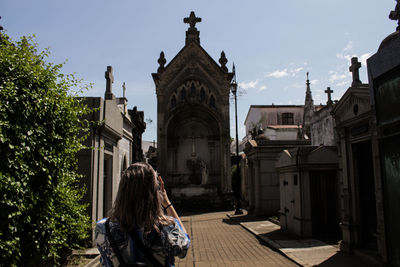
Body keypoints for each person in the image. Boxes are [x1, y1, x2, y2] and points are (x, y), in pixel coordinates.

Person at [95, 162, 190, 267]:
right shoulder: (167, 227)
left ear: (122, 192)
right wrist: (167, 204)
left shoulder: (103, 228)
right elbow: (184, 248)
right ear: (153, 193)